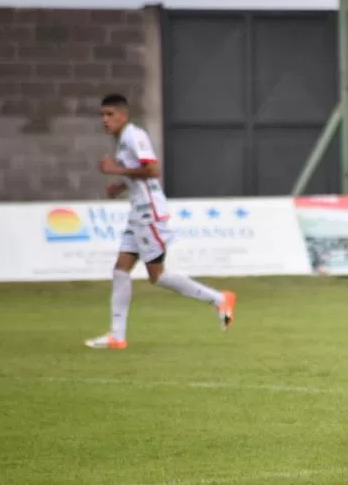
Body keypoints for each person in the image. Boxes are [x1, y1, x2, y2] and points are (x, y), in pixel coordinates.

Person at [85, 93, 237, 350]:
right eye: (102, 115)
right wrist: (121, 185)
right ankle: (117, 336)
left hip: (149, 212)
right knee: (121, 270)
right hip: (137, 211)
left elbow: (153, 169)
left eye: (110, 114)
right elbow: (139, 173)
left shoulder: (134, 136)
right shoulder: (122, 141)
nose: (105, 120)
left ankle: (220, 298)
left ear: (123, 115)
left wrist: (116, 170)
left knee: (157, 276)